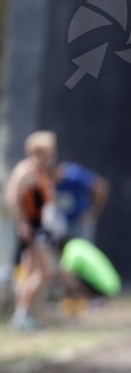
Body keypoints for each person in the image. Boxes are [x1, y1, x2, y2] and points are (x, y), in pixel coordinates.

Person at [5, 131, 59, 331]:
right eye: (47, 151)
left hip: (41, 227)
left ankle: (25, 315)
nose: (51, 155)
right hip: (32, 229)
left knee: (31, 273)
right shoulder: (24, 171)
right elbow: (13, 199)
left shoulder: (41, 172)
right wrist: (22, 223)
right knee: (45, 272)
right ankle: (21, 314)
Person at [54, 161, 109, 242]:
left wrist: (93, 213)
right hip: (62, 225)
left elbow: (100, 187)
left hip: (80, 225)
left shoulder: (73, 175)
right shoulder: (50, 182)